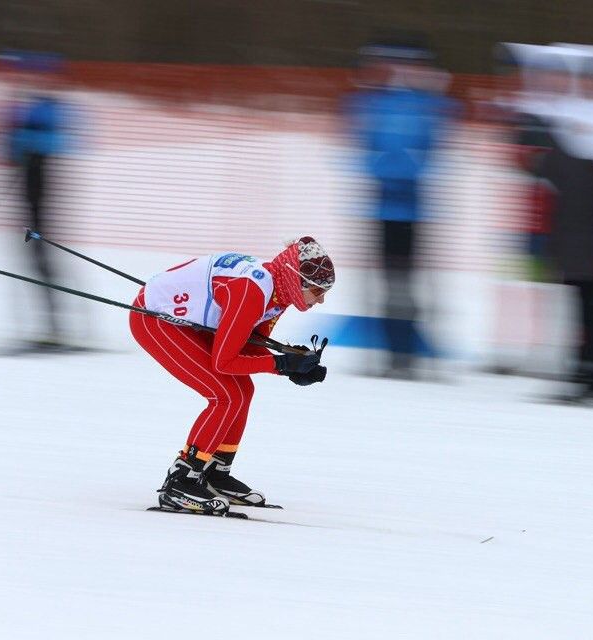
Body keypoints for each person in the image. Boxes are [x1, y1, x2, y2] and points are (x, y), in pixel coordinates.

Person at [130, 236, 335, 515]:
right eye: (317, 290)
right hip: (154, 318)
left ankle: (215, 471)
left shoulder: (279, 292)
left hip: (182, 319)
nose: (320, 299)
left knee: (242, 391)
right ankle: (180, 481)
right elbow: (225, 361)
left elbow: (249, 348)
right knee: (225, 395)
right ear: (295, 280)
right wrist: (282, 365)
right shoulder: (252, 291)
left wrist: (291, 363)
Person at [344, 36, 456, 378]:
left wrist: (395, 166)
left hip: (414, 210)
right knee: (383, 282)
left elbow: (435, 154)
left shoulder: (429, 105)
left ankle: (409, 354)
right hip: (379, 208)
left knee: (408, 284)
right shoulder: (368, 102)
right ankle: (390, 354)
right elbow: (358, 149)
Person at [4, 51, 72, 350]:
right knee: (32, 260)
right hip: (27, 195)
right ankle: (48, 326)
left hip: (42, 194)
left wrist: (22, 138)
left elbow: (60, 142)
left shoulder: (49, 108)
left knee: (42, 258)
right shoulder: (24, 107)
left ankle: (54, 328)